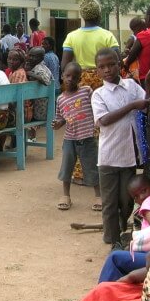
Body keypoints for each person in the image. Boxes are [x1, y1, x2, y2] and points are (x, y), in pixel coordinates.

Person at [92, 48, 150, 250]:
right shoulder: (98, 94)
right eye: (102, 67)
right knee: (109, 203)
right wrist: (131, 106)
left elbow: (145, 103)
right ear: (97, 71)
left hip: (129, 155)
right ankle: (112, 241)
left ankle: (121, 229)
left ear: (119, 64)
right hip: (109, 156)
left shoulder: (131, 86)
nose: (107, 70)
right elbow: (104, 120)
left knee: (126, 201)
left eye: (111, 65)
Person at [53, 62, 99, 210]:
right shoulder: (60, 99)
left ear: (79, 79)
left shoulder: (86, 91)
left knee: (92, 167)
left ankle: (98, 196)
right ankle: (66, 196)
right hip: (69, 138)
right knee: (67, 167)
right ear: (62, 76)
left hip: (88, 137)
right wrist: (57, 124)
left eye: (74, 77)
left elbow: (96, 107)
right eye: (67, 76)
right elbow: (60, 118)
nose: (70, 79)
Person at [60, 0, 120, 90]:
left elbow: (64, 66)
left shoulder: (71, 36)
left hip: (81, 83)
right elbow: (118, 61)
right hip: (104, 82)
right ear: (99, 15)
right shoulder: (108, 35)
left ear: (83, 16)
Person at [124, 4, 150, 88]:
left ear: (149, 18)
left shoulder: (144, 35)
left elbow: (130, 58)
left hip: (145, 79)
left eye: (145, 17)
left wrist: (126, 65)